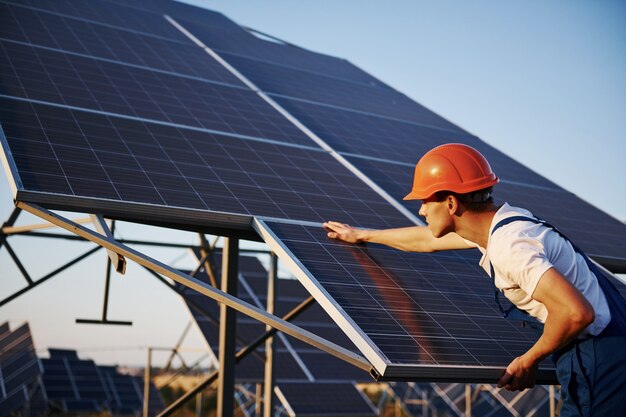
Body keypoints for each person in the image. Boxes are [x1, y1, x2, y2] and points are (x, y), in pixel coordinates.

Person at [323, 143, 626, 417]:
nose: (421, 209)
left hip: (601, 360)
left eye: (426, 201)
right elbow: (425, 240)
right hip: (609, 345)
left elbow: (576, 313)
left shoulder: (510, 246)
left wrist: (529, 359)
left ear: (452, 203)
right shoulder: (503, 225)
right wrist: (363, 235)